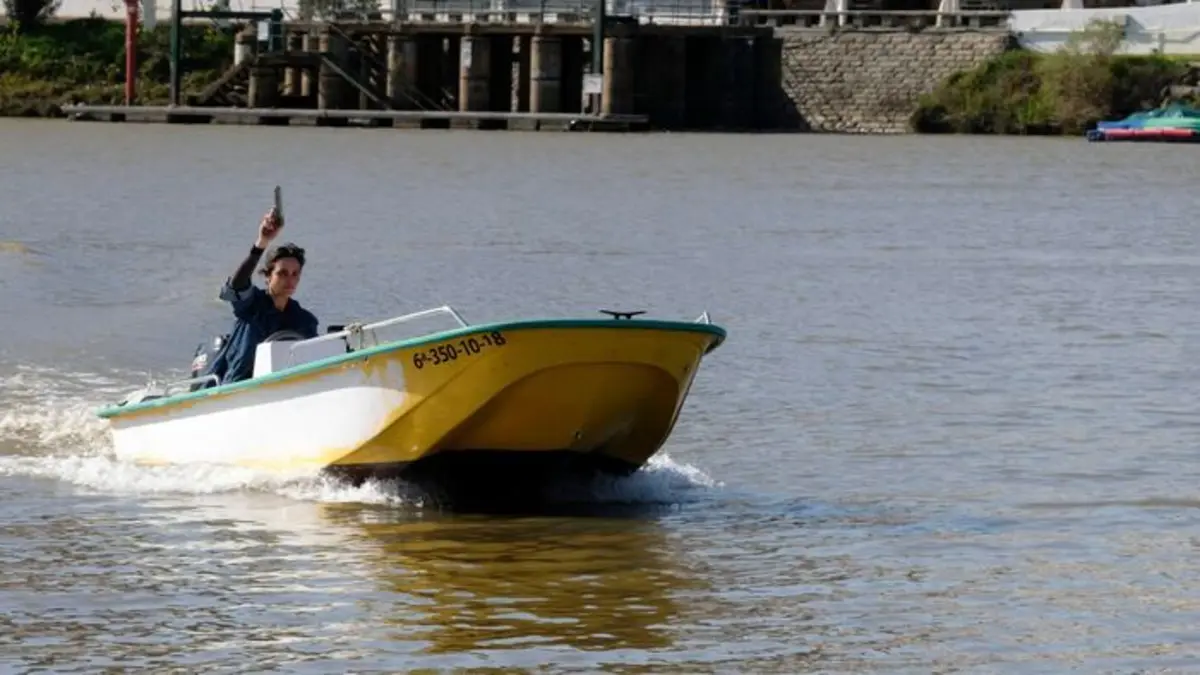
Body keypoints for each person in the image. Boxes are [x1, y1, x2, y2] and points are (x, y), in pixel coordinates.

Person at [202, 206, 320, 386]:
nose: (290, 280)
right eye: (282, 273)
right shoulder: (252, 305)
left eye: (295, 274)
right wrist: (262, 243)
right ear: (267, 276)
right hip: (237, 388)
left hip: (285, 387)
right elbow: (237, 285)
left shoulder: (305, 320)